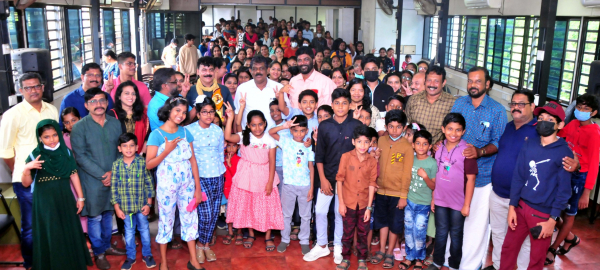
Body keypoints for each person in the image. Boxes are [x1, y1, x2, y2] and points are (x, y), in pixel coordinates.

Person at [499, 102, 573, 270]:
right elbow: (518, 176)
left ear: (560, 124)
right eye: (540, 118)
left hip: (542, 214)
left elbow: (563, 191)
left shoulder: (564, 152)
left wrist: (552, 220)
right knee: (508, 249)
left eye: (549, 119)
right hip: (521, 207)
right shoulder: (529, 144)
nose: (544, 121)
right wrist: (512, 206)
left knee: (537, 258)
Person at [449, 66, 507, 270]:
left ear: (487, 84)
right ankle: (452, 261)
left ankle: (470, 265)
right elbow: (450, 131)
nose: (473, 85)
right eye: (470, 81)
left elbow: (499, 142)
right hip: (455, 175)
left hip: (482, 177)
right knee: (454, 221)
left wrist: (479, 152)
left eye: (478, 81)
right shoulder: (459, 103)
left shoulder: (497, 110)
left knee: (476, 225)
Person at [0, 72, 58, 269]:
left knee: (50, 223)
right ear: (20, 90)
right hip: (27, 180)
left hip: (51, 176)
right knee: (31, 228)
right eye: (28, 87)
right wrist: (20, 171)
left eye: (36, 86)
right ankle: (31, 264)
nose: (33, 90)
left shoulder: (51, 110)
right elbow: (6, 152)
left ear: (43, 87)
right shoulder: (12, 115)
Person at [21, 119, 93, 270]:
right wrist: (27, 169)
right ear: (40, 138)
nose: (52, 140)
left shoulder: (66, 151)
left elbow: (74, 175)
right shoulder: (36, 155)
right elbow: (26, 183)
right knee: (51, 232)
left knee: (68, 230)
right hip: (45, 201)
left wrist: (80, 197)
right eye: (46, 137)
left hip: (65, 197)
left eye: (54, 135)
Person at [303, 88, 362, 264]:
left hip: (348, 180)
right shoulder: (325, 125)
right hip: (327, 178)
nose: (341, 107)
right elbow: (319, 155)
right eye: (337, 103)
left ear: (350, 105)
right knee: (320, 211)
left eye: (344, 103)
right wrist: (323, 180)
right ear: (332, 105)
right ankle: (321, 245)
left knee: (339, 213)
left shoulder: (356, 126)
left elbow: (361, 152)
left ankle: (337, 246)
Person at [145, 96, 204, 270]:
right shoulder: (156, 135)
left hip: (187, 185)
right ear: (168, 111)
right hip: (166, 187)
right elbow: (149, 164)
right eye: (177, 110)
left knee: (190, 219)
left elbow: (193, 161)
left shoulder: (186, 133)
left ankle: (193, 260)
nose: (181, 115)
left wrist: (198, 189)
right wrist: (167, 150)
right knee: (166, 221)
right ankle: (163, 262)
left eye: (184, 112)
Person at [70, 88, 127, 269]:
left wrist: (113, 172)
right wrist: (103, 175)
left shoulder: (115, 124)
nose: (99, 104)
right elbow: (80, 156)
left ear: (107, 103)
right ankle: (99, 252)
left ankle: (107, 245)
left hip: (113, 177)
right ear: (86, 105)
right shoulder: (79, 127)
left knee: (108, 214)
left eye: (102, 100)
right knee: (94, 218)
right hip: (91, 180)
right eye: (93, 102)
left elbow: (122, 149)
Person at [547, 93, 600, 264]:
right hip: (564, 170)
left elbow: (593, 165)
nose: (581, 111)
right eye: (579, 107)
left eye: (586, 109)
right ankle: (570, 237)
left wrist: (586, 193)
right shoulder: (573, 123)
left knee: (569, 215)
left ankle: (553, 248)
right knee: (550, 208)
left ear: (593, 113)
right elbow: (559, 134)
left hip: (579, 177)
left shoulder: (594, 133)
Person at [223, 107, 284, 250]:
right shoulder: (244, 136)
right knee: (248, 204)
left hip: (264, 175)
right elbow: (228, 137)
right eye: (253, 125)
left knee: (268, 205)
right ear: (248, 126)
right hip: (247, 175)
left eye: (260, 124)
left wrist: (270, 182)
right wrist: (230, 118)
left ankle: (268, 236)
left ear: (265, 123)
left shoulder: (269, 140)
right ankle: (250, 234)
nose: (257, 128)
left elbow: (272, 162)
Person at [426, 113, 477, 270]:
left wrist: (466, 204)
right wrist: (434, 198)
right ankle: (437, 261)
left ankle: (454, 265)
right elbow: (436, 175)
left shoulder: (467, 151)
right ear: (443, 129)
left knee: (455, 235)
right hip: (440, 200)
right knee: (440, 233)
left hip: (458, 203)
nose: (453, 133)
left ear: (463, 131)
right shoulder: (438, 148)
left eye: (457, 130)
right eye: (449, 129)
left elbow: (471, 179)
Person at [369, 109, 414, 268]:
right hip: (380, 190)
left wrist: (403, 196)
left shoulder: (407, 147)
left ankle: (390, 253)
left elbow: (407, 173)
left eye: (398, 127)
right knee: (382, 222)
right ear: (386, 126)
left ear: (404, 127)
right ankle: (381, 249)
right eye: (391, 126)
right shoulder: (381, 141)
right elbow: (374, 163)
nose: (394, 130)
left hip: (397, 193)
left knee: (395, 224)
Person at [185, 96, 226, 262]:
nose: (208, 115)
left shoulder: (217, 130)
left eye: (211, 112)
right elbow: (189, 157)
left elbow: (220, 153)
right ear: (198, 113)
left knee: (215, 212)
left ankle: (206, 245)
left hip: (217, 174)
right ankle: (199, 244)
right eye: (204, 112)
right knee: (205, 214)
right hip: (200, 177)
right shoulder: (190, 130)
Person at [269, 115, 315, 255]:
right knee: (286, 214)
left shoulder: (309, 145)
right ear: (291, 131)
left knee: (306, 216)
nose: (299, 134)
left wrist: (312, 187)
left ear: (306, 131)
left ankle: (304, 241)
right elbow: (271, 132)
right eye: (295, 130)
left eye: (302, 131)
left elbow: (311, 167)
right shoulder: (286, 142)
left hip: (305, 185)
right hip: (288, 185)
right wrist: (284, 126)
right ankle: (285, 239)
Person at [111, 133, 156, 270]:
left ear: (137, 147)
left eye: (131, 145)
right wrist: (117, 208)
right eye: (125, 146)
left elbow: (149, 184)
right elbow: (114, 188)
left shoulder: (143, 163)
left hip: (142, 207)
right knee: (129, 233)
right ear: (119, 148)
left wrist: (149, 204)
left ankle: (147, 255)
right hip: (126, 208)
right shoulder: (116, 165)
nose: (128, 149)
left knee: (144, 230)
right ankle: (131, 257)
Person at [336, 125, 378, 270]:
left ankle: (362, 259)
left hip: (364, 205)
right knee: (347, 233)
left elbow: (372, 184)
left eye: (366, 142)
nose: (363, 145)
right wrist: (341, 203)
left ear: (371, 143)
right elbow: (340, 180)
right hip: (348, 203)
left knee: (363, 233)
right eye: (359, 141)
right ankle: (345, 258)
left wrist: (369, 208)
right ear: (353, 142)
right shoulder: (346, 157)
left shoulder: (372, 161)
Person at [396, 128, 436, 270]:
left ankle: (419, 258)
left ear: (430, 146)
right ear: (413, 145)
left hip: (423, 204)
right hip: (409, 202)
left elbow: (434, 186)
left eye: (425, 144)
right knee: (408, 230)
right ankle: (410, 257)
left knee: (419, 232)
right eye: (418, 143)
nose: (421, 147)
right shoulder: (409, 159)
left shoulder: (432, 163)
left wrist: (425, 177)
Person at [405, 66, 456, 143]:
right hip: (415, 149)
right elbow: (407, 124)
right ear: (425, 81)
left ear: (443, 83)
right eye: (429, 80)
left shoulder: (452, 103)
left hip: (439, 151)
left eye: (436, 81)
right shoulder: (414, 99)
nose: (432, 84)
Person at [234, 56, 286, 131]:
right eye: (255, 69)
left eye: (261, 68)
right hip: (249, 138)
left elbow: (287, 113)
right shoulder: (242, 89)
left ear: (267, 70)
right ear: (250, 71)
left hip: (275, 136)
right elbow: (237, 115)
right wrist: (238, 138)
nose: (258, 72)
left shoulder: (279, 88)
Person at [60, 63, 115, 128]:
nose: (95, 78)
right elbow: (62, 126)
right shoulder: (69, 99)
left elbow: (112, 120)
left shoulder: (106, 97)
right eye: (90, 75)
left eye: (98, 75)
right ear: (82, 77)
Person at [107, 81, 150, 154]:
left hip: (140, 155)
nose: (130, 97)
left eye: (133, 94)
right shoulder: (112, 114)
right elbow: (109, 140)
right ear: (119, 96)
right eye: (127, 93)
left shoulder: (144, 114)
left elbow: (148, 136)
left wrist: (141, 154)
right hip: (118, 157)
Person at [186, 57, 234, 121]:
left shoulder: (224, 90)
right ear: (197, 71)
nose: (208, 73)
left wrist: (226, 121)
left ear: (215, 71)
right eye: (204, 70)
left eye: (211, 69)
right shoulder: (190, 90)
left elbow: (231, 115)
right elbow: (185, 120)